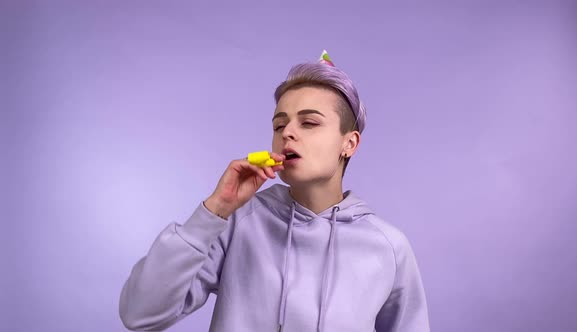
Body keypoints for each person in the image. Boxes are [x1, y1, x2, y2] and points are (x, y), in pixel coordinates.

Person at [119, 51, 430, 332]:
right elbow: (140, 314)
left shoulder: (388, 247)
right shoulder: (239, 223)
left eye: (309, 122)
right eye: (279, 126)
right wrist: (215, 209)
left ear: (349, 144)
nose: (288, 133)